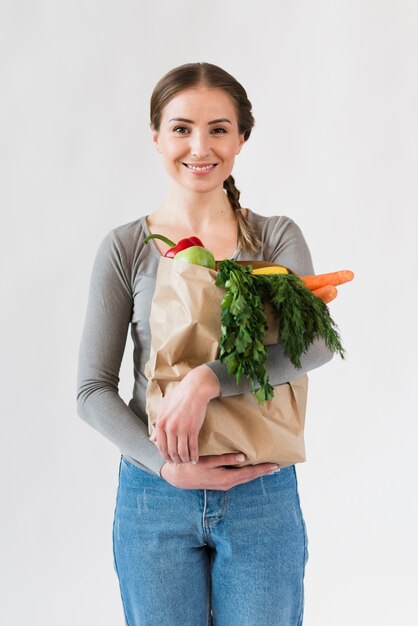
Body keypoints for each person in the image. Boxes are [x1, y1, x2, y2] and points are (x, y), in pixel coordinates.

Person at [77, 62, 334, 626]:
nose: (200, 145)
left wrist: (207, 380)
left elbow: (314, 345)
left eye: (219, 128)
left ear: (242, 137)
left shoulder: (274, 236)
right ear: (156, 137)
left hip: (260, 489)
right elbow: (91, 390)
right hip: (153, 496)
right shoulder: (126, 248)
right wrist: (164, 467)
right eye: (181, 128)